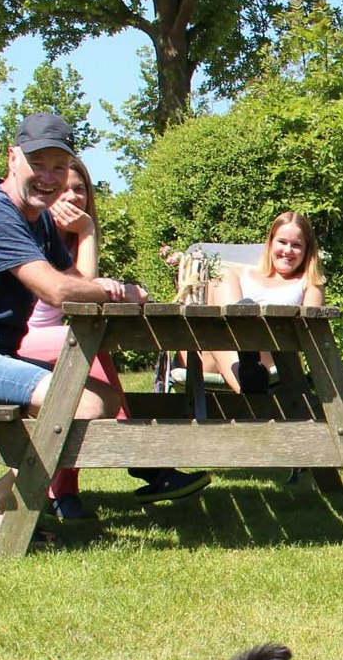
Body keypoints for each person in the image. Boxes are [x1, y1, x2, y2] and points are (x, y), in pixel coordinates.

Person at [0, 112, 205, 545]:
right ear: (13, 159)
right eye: (39, 164)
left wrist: (117, 288)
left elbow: (78, 282)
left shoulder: (40, 219)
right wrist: (113, 291)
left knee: (101, 396)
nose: (49, 177)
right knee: (81, 403)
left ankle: (14, 496)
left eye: (59, 167)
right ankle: (0, 501)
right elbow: (56, 291)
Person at [14, 156, 209, 521]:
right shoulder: (32, 232)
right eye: (64, 189)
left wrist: (120, 286)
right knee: (86, 346)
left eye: (80, 190)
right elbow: (80, 293)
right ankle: (143, 464)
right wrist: (88, 233)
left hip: (51, 339)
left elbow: (89, 289)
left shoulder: (68, 242)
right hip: (17, 340)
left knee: (82, 358)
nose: (72, 198)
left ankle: (67, 494)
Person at [199, 211, 326, 393]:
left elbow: (309, 334)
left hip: (274, 355)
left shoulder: (308, 283)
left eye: (296, 245)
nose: (287, 251)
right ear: (271, 242)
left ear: (307, 250)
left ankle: (248, 385)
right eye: (282, 242)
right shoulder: (240, 274)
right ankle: (249, 375)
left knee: (246, 342)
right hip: (224, 350)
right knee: (221, 278)